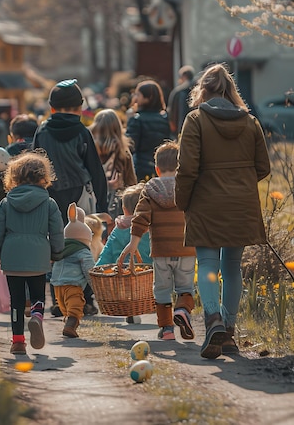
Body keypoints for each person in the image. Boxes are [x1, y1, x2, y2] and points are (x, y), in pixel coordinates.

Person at [175, 63, 270, 359]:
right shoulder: (250, 122)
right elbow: (263, 167)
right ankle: (228, 331)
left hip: (205, 202)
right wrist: (239, 183)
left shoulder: (196, 120)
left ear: (202, 89)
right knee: (232, 266)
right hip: (241, 204)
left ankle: (213, 319)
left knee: (207, 263)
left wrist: (183, 200)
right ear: (231, 90)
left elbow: (187, 168)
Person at [32, 78, 107, 316]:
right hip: (80, 197)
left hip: (50, 197)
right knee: (84, 247)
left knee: (55, 248)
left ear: (52, 107)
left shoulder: (43, 131)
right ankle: (86, 300)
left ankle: (58, 300)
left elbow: (35, 167)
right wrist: (103, 205)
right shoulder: (81, 131)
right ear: (78, 107)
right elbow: (96, 170)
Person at [0, 151, 64, 355]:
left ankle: (18, 342)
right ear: (43, 176)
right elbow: (56, 231)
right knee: (38, 293)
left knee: (17, 301)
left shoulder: (6, 202)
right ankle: (37, 317)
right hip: (39, 255)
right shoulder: (49, 203)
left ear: (14, 176)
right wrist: (57, 253)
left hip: (12, 256)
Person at [119, 140, 196, 341]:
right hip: (187, 248)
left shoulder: (150, 190)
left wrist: (133, 242)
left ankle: (167, 329)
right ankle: (183, 311)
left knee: (161, 289)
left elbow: (141, 217)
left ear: (157, 168)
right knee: (185, 288)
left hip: (161, 250)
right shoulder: (189, 186)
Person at [51, 203, 95, 338]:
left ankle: (69, 323)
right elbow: (89, 268)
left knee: (65, 307)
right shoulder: (82, 250)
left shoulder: (61, 248)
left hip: (57, 285)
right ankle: (70, 326)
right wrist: (95, 284)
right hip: (73, 284)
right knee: (75, 307)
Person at [89, 108, 137, 230]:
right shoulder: (123, 154)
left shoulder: (89, 151)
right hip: (117, 208)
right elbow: (131, 183)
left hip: (93, 206)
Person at [125, 79, 171, 181]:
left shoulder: (136, 120)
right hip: (162, 167)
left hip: (141, 168)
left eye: (138, 94)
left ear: (148, 98)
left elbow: (129, 146)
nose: (135, 98)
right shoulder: (166, 118)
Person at [167, 65, 195, 137]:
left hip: (179, 129)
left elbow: (171, 111)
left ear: (183, 77)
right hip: (195, 127)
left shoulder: (177, 91)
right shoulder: (199, 90)